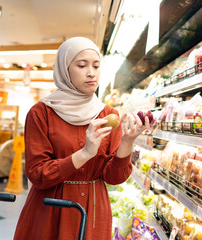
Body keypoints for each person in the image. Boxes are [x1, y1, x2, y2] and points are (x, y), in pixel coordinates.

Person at [14, 37, 150, 240]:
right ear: (64, 69)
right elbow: (37, 173)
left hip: (93, 213)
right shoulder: (41, 113)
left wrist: (127, 142)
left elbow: (114, 178)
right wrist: (85, 153)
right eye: (81, 65)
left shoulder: (108, 114)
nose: (91, 73)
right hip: (50, 210)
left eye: (96, 66)